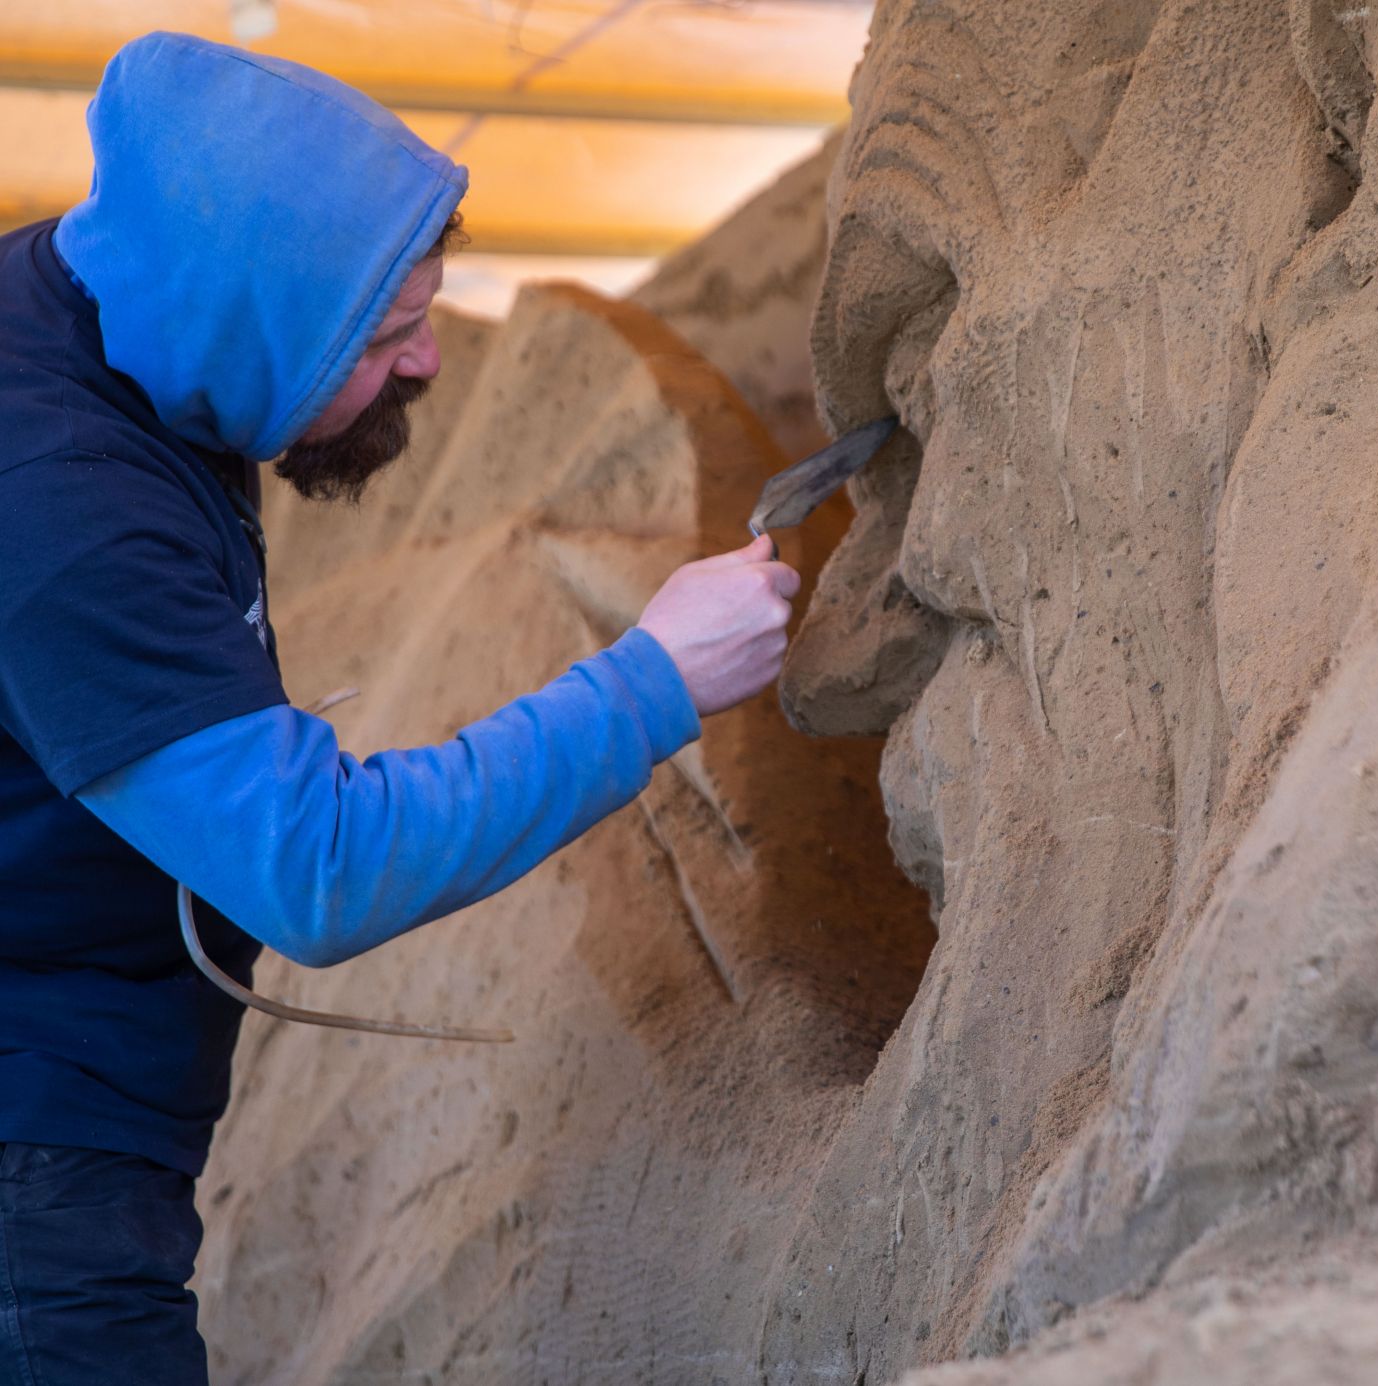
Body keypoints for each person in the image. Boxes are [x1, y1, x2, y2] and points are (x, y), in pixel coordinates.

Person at [0, 32, 797, 1384]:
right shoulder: (68, 512)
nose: (429, 364)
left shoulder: (121, 318)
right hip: (37, 1171)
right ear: (251, 322)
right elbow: (317, 868)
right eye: (388, 337)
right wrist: (653, 680)